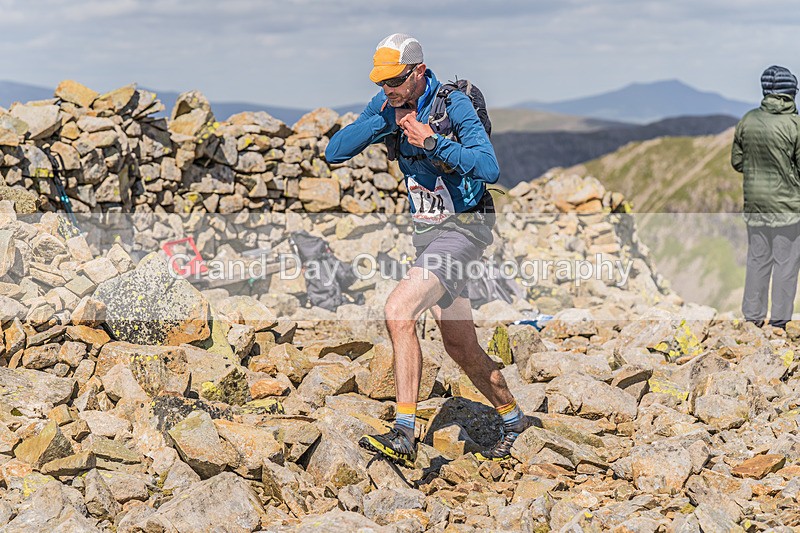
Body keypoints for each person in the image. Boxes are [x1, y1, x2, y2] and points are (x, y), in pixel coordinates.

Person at [326, 33, 533, 468]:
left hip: (465, 229)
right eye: (382, 82)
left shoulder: (451, 103)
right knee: (460, 346)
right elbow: (334, 151)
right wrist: (384, 119)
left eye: (396, 81)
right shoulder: (385, 104)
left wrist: (431, 142)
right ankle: (513, 418)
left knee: (399, 309)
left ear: (419, 71)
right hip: (429, 237)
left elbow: (490, 166)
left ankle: (404, 430)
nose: (388, 89)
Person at [731, 65, 800, 329]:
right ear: (790, 93)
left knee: (758, 259)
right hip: (787, 208)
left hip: (755, 206)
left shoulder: (747, 120)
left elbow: (738, 162)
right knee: (786, 263)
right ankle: (779, 324)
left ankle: (752, 319)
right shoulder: (795, 124)